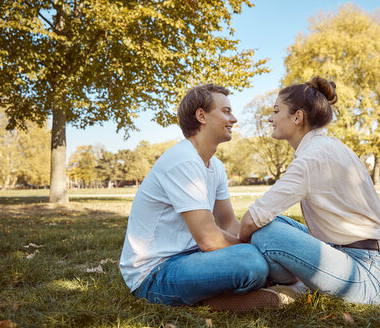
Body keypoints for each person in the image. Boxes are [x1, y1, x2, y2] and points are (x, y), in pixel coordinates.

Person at [119, 84, 284, 312]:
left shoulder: (215, 166)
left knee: (265, 241)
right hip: (154, 273)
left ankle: (217, 296)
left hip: (192, 258)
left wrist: (268, 247)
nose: (234, 119)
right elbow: (210, 240)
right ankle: (215, 299)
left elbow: (228, 223)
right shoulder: (182, 160)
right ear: (201, 116)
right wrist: (263, 256)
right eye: (226, 111)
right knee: (250, 262)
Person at [239, 76, 380, 305]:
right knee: (278, 223)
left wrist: (242, 250)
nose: (270, 118)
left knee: (265, 234)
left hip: (369, 276)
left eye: (276, 111)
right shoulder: (332, 147)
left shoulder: (310, 159)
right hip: (362, 259)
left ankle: (292, 287)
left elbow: (250, 221)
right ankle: (295, 285)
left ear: (297, 117)